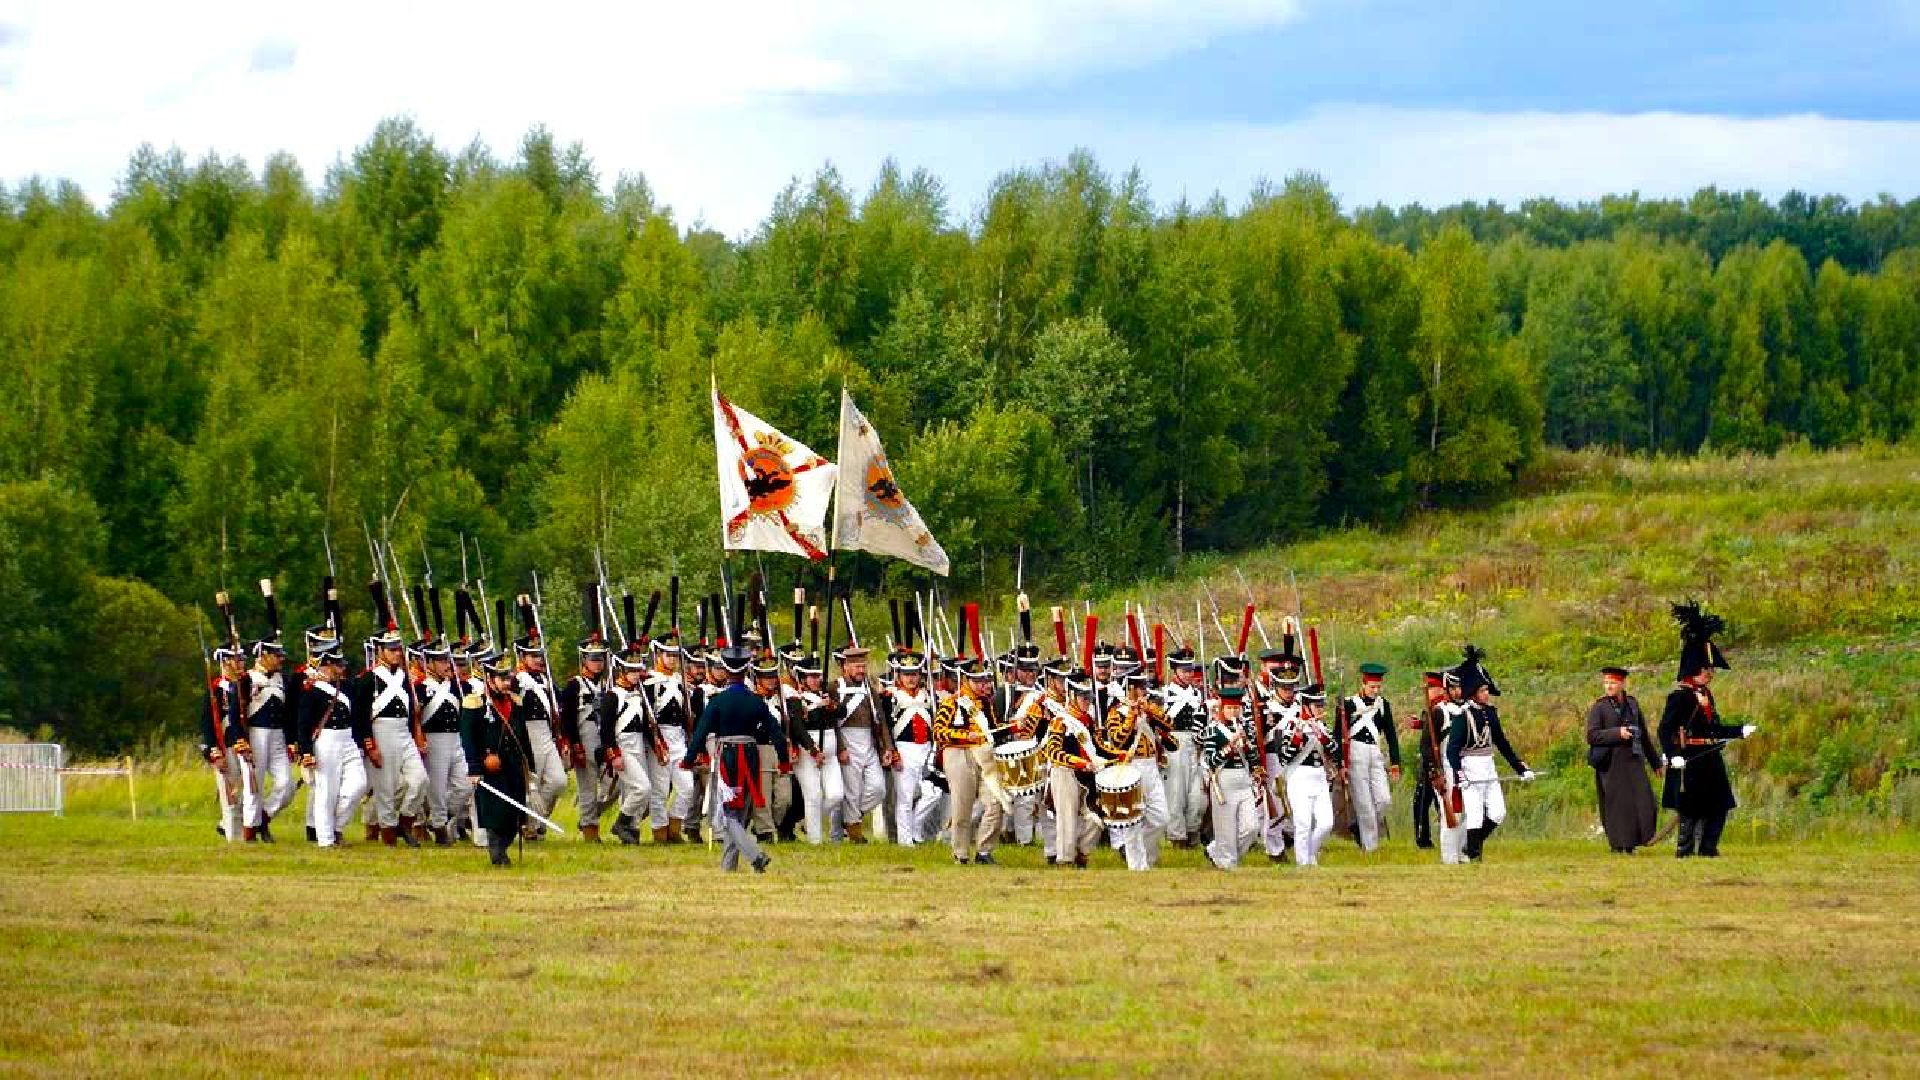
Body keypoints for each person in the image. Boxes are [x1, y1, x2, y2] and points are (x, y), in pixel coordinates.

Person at [1660, 602, 1757, 858]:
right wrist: (1673, 755)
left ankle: (1708, 849)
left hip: (1710, 757)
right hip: (1689, 758)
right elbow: (1664, 729)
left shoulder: (1706, 695)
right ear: (1694, 670)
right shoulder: (1678, 697)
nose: (1710, 673)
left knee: (1719, 806)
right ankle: (1685, 852)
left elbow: (1714, 727)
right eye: (1706, 669)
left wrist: (1738, 731)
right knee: (1690, 810)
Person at [682, 645, 789, 872]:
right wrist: (784, 760)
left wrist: (689, 759)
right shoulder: (756, 701)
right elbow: (776, 733)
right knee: (739, 813)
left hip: (727, 756)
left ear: (727, 670)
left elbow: (701, 732)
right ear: (746, 670)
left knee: (728, 811)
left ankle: (755, 855)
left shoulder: (718, 702)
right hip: (751, 755)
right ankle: (728, 866)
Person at [1444, 646, 1533, 862]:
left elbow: (1502, 743)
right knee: (1474, 815)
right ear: (1474, 692)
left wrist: (1520, 768)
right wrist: (1459, 775)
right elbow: (1451, 750)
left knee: (1497, 813)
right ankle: (1474, 856)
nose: (1487, 693)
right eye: (1483, 690)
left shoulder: (1491, 713)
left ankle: (1469, 846)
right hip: (1470, 769)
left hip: (1488, 766)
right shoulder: (1462, 716)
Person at [353, 617, 428, 849]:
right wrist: (370, 745)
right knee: (385, 789)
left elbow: (411, 713)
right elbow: (360, 716)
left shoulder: (405, 677)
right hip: (381, 732)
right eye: (392, 650)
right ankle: (388, 837)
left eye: (398, 649)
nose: (397, 654)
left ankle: (405, 822)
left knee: (419, 780)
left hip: (403, 733)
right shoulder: (369, 679)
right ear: (380, 651)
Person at [1095, 668, 1175, 870]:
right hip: (1131, 766)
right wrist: (1131, 713)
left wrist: (1148, 710)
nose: (1143, 692)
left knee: (1161, 818)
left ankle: (1141, 854)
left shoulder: (1148, 711)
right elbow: (1118, 739)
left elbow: (1169, 724)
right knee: (1132, 821)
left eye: (1143, 688)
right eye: (1139, 689)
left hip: (1151, 766)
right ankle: (1136, 865)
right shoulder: (1116, 713)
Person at [932, 659, 1005, 865]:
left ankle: (984, 850)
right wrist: (964, 736)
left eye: (986, 680)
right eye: (979, 681)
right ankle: (961, 853)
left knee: (995, 802)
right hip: (959, 754)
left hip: (985, 756)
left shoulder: (985, 704)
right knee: (962, 807)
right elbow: (938, 732)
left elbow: (994, 729)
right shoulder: (952, 702)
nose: (984, 685)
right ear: (966, 680)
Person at [462, 650, 531, 867]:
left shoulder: (516, 702)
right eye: (502, 678)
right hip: (491, 766)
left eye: (508, 677)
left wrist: (529, 764)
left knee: (515, 811)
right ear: (490, 679)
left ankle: (504, 846)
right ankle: (497, 852)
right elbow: (468, 737)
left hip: (513, 765)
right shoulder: (476, 704)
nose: (506, 682)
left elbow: (522, 736)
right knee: (497, 811)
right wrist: (474, 767)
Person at [300, 632, 368, 849]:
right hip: (326, 740)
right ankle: (326, 840)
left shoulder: (345, 687)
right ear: (326, 665)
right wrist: (306, 751)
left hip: (347, 739)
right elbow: (303, 724)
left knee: (358, 784)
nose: (342, 668)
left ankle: (336, 827)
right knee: (326, 791)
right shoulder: (311, 690)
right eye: (337, 664)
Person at [1586, 666, 1661, 853]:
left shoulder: (1633, 704)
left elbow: (1643, 735)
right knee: (1618, 806)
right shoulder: (1599, 707)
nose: (1609, 686)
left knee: (1645, 801)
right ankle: (1620, 845)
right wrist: (1617, 733)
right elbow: (1592, 736)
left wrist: (1655, 762)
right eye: (1606, 683)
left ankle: (1638, 839)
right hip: (1611, 762)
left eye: (1612, 682)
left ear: (1622, 683)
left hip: (1634, 759)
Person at [1041, 670, 1106, 868]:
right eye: (1083, 697)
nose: (1087, 702)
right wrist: (1080, 763)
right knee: (1066, 818)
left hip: (1086, 777)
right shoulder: (1061, 721)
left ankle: (1082, 852)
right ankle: (1065, 860)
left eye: (1089, 697)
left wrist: (1119, 755)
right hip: (1064, 773)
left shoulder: (1088, 721)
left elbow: (1100, 746)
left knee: (1096, 818)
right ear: (1072, 697)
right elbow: (1052, 751)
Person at [1277, 683, 1342, 867]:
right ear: (1305, 706)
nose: (1321, 709)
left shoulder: (1322, 726)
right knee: (1303, 824)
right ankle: (1302, 863)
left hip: (1319, 776)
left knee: (1326, 823)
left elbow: (1336, 752)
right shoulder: (1291, 724)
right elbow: (1284, 757)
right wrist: (1300, 737)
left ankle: (1310, 855)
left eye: (1322, 705)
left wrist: (1321, 736)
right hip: (1299, 776)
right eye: (1317, 705)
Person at [1340, 663, 1402, 852]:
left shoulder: (1383, 705)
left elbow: (1391, 735)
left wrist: (1395, 763)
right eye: (1372, 687)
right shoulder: (1349, 704)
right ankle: (1370, 847)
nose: (1375, 691)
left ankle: (1361, 827)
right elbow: (1339, 734)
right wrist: (1341, 761)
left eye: (1378, 687)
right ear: (1363, 684)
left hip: (1375, 752)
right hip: (1355, 753)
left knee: (1383, 800)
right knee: (1364, 802)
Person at [558, 630, 613, 843]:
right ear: (584, 660)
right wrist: (575, 744)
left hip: (605, 737)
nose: (598, 664)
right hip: (586, 736)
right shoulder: (575, 685)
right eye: (593, 659)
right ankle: (590, 829)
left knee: (613, 783)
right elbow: (568, 718)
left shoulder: (608, 684)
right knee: (588, 786)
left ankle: (589, 816)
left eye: (601, 659)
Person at [1199, 686, 1263, 869]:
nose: (1233, 712)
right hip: (1223, 780)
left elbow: (1253, 758)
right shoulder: (1213, 729)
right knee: (1225, 830)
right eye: (1229, 708)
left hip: (1243, 780)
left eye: (1236, 708)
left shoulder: (1246, 728)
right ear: (1222, 709)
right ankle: (1227, 865)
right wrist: (1230, 747)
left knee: (1251, 828)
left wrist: (1253, 759)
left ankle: (1216, 852)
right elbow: (1210, 760)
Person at [242, 636, 297, 843]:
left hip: (278, 735)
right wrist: (241, 739)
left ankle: (263, 818)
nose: (280, 660)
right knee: (254, 785)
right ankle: (250, 832)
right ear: (263, 655)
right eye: (276, 656)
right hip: (256, 734)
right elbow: (238, 712)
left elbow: (289, 712)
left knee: (286, 785)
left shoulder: (282, 680)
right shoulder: (248, 679)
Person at [644, 633, 698, 843]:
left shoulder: (680, 680)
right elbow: (646, 717)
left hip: (679, 738)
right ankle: (660, 833)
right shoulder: (650, 681)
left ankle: (675, 827)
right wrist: (655, 742)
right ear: (658, 655)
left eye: (676, 655)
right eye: (668, 655)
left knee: (687, 787)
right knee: (659, 790)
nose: (673, 659)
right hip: (660, 738)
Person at [833, 645, 890, 844]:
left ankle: (850, 819)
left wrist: (887, 747)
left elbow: (880, 719)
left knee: (878, 789)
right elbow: (833, 722)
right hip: (848, 741)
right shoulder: (836, 687)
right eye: (856, 666)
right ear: (846, 667)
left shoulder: (869, 688)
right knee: (852, 790)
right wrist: (840, 748)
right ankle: (855, 833)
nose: (861, 671)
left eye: (863, 666)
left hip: (869, 742)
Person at [417, 635, 471, 846]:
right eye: (440, 661)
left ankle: (440, 818)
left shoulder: (457, 686)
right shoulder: (421, 688)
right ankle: (440, 829)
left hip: (455, 738)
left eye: (447, 660)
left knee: (465, 786)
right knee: (437, 788)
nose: (446, 665)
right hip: (434, 739)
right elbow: (416, 716)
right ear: (429, 664)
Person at [1156, 647, 1209, 849]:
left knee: (1198, 796)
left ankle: (1192, 830)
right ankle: (1177, 837)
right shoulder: (1165, 693)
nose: (1188, 674)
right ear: (1174, 670)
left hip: (1196, 745)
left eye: (1190, 670)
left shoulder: (1197, 694)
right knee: (1176, 793)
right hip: (1174, 742)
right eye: (1184, 670)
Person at [201, 642, 251, 842]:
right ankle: (233, 837)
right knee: (229, 796)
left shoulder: (242, 686)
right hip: (224, 747)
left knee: (246, 792)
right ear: (225, 662)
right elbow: (207, 725)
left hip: (241, 746)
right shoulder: (215, 690)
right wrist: (215, 753)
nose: (241, 664)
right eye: (236, 660)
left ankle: (230, 828)